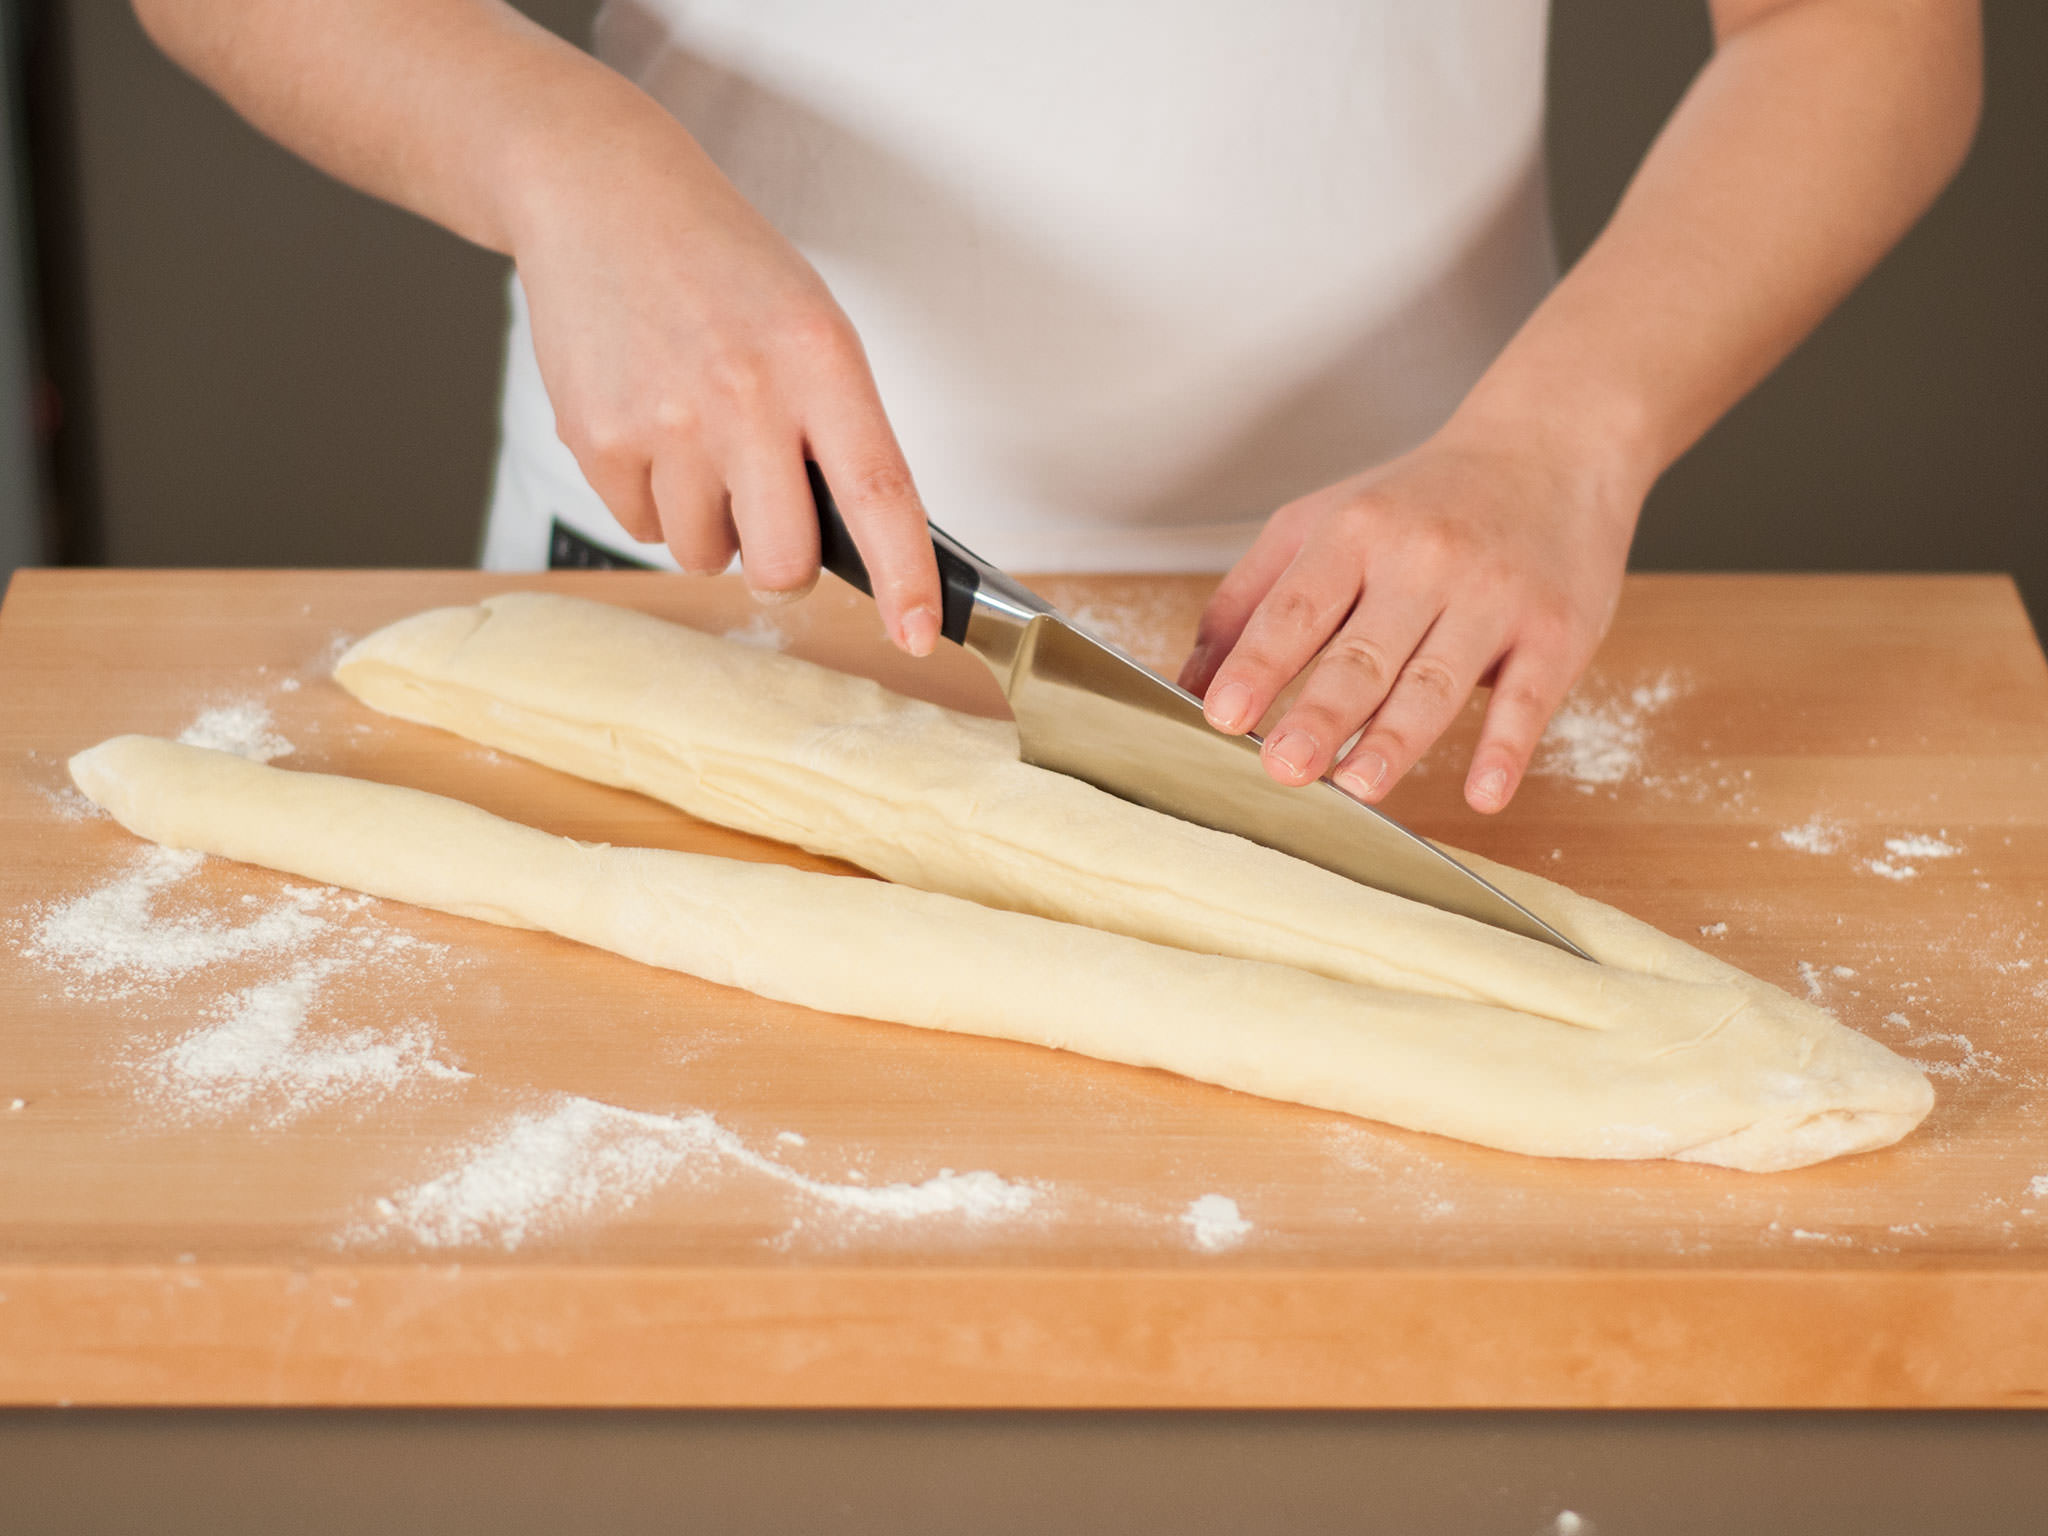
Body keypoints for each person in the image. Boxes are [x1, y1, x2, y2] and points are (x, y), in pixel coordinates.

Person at [135, 0, 1980, 813]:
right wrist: (568, 165)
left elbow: (1867, 27)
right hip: (702, 572)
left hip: (1394, 640)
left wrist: (1559, 442)